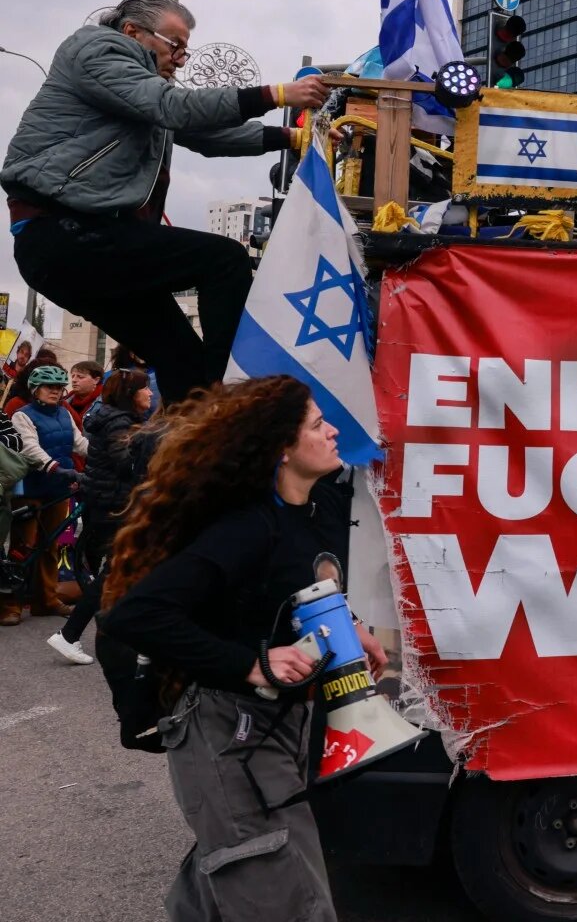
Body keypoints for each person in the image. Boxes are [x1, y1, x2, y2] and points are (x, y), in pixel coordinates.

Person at [100, 377, 381, 921]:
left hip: (274, 729)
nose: (332, 431)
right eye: (317, 424)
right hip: (227, 730)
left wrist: (353, 627)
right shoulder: (248, 528)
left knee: (239, 881)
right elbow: (136, 614)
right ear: (282, 446)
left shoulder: (308, 511)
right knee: (287, 900)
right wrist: (252, 663)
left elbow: (286, 598)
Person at [1, 0, 329, 405]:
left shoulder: (144, 98)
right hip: (65, 234)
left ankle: (193, 444)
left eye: (185, 50)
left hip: (88, 242)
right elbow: (174, 108)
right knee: (223, 260)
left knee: (182, 360)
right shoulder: (97, 49)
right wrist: (277, 94)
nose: (179, 58)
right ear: (132, 31)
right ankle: (227, 400)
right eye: (175, 45)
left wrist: (291, 137)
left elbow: (206, 134)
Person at [45, 368, 150, 664]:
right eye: (145, 389)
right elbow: (126, 465)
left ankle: (76, 635)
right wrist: (152, 448)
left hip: (109, 502)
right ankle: (69, 635)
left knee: (122, 572)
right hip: (114, 505)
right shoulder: (120, 422)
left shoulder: (117, 418)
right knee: (116, 572)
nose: (150, 393)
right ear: (131, 394)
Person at [0, 365, 86, 626]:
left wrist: (102, 457)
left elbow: (79, 442)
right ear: (36, 389)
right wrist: (56, 468)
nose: (56, 392)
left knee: (52, 546)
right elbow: (31, 449)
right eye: (51, 387)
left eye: (60, 388)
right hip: (31, 489)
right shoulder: (22, 415)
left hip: (58, 489)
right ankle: (10, 605)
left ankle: (45, 600)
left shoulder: (64, 413)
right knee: (22, 548)